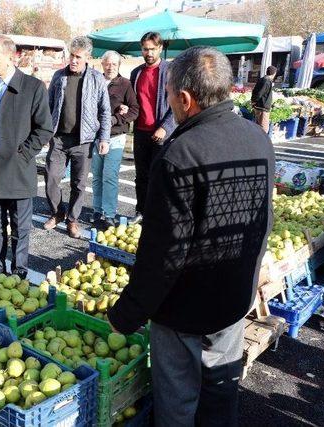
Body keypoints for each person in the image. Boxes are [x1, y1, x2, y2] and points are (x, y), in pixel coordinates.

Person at [107, 46, 274, 427]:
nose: (168, 101)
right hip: (232, 301)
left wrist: (126, 314)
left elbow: (163, 255)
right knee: (219, 393)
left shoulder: (180, 154)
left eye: (168, 95)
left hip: (183, 312)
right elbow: (264, 221)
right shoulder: (256, 137)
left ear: (185, 99)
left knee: (178, 403)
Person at [0, 35, 53, 278]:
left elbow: (45, 128)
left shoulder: (32, 87)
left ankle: (19, 273)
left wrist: (23, 154)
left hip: (16, 168)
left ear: (11, 57)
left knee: (19, 227)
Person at [44, 36, 110, 238]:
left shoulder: (97, 78)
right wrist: (46, 132)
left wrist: (104, 138)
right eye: (71, 55)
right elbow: (48, 106)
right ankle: (58, 212)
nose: (73, 60)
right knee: (51, 179)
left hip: (84, 140)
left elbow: (105, 111)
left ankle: (72, 220)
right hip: (59, 139)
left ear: (87, 57)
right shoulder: (58, 76)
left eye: (78, 57)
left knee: (79, 184)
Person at [130, 32, 176, 222]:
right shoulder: (136, 73)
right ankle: (141, 211)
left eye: (152, 49)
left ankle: (158, 214)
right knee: (141, 176)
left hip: (162, 133)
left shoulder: (171, 71)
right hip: (141, 131)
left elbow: (178, 102)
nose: (148, 53)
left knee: (160, 176)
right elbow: (133, 101)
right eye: (145, 49)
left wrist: (165, 127)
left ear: (160, 48)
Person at [92, 51, 139, 227]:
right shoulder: (94, 81)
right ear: (102, 64)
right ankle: (97, 211)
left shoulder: (125, 84)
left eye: (114, 64)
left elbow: (134, 110)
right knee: (96, 176)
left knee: (109, 175)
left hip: (116, 135)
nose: (110, 67)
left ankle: (109, 213)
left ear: (118, 65)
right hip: (95, 136)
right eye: (107, 63)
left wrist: (116, 119)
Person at [251, 65, 277, 134]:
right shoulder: (266, 81)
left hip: (259, 106)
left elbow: (255, 91)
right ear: (274, 73)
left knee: (259, 126)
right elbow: (259, 93)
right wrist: (254, 101)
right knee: (263, 128)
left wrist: (253, 101)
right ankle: (261, 142)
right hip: (262, 107)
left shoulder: (263, 79)